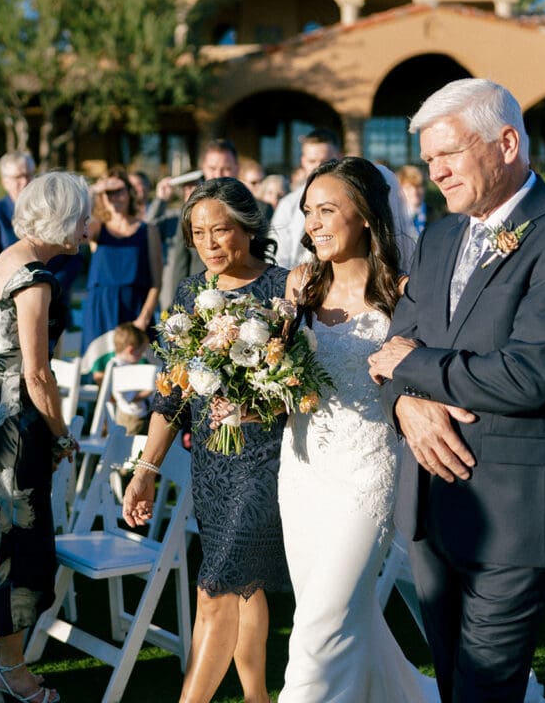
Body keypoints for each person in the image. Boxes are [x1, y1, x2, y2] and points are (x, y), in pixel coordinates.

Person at [368, 78, 545, 703]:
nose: (437, 173)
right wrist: (407, 406)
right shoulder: (439, 238)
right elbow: (387, 359)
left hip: (513, 509)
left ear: (506, 143)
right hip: (430, 506)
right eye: (429, 160)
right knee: (453, 681)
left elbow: (528, 373)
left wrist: (415, 365)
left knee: (486, 688)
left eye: (448, 155)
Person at [122, 177, 290, 703]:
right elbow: (171, 392)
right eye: (198, 233)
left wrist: (263, 397)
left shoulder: (287, 289)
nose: (210, 244)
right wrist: (145, 472)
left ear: (248, 226)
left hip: (268, 462)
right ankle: (257, 697)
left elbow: (308, 385)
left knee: (217, 586)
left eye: (221, 230)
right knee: (238, 582)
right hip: (213, 465)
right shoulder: (193, 292)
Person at [278, 157, 434, 701]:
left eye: (327, 210)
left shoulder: (405, 292)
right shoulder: (299, 290)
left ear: (366, 216)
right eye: (307, 212)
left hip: (367, 473)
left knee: (320, 628)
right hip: (299, 472)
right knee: (338, 615)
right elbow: (276, 377)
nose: (314, 224)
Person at [0, 171, 88, 703]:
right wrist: (61, 435)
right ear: (62, 219)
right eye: (82, 215)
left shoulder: (5, 261)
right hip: (18, 426)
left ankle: (1, 656)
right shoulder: (35, 277)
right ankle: (14, 668)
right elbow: (38, 372)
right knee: (18, 546)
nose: (88, 226)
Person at [0, 151, 82, 303]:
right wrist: (26, 288)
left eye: (29, 175)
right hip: (13, 300)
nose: (25, 181)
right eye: (18, 177)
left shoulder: (52, 210)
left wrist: (50, 285)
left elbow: (73, 255)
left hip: (56, 300)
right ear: (4, 181)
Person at [80, 166, 162, 351]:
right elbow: (74, 233)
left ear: (130, 192)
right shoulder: (96, 228)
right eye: (108, 192)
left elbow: (156, 283)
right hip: (100, 311)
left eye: (119, 191)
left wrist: (144, 318)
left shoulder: (148, 231)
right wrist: (95, 189)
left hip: (135, 311)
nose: (114, 197)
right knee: (99, 375)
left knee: (140, 373)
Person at [160, 139, 241, 312]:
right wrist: (177, 308)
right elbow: (180, 262)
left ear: (236, 168)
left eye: (225, 168)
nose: (218, 174)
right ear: (203, 170)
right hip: (199, 300)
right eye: (212, 169)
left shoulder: (258, 208)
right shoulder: (191, 210)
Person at [270, 129, 342, 269]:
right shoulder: (288, 205)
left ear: (339, 158)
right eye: (312, 161)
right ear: (303, 161)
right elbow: (279, 257)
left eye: (325, 161)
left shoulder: (352, 201)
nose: (318, 167)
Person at [92, 321, 153, 436]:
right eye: (140, 353)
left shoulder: (115, 364)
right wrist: (150, 391)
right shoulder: (121, 370)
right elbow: (130, 398)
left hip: (127, 414)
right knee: (132, 447)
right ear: (131, 350)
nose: (141, 356)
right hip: (132, 417)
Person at [395, 164, 429, 236]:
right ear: (399, 191)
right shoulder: (395, 217)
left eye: (418, 187)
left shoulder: (437, 215)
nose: (414, 192)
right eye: (408, 188)